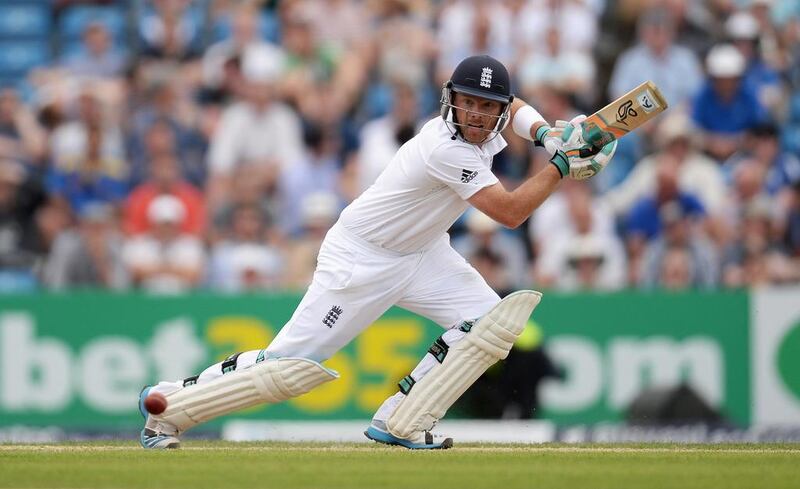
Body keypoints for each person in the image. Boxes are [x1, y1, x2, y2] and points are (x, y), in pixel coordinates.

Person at [137, 55, 617, 450]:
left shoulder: (493, 121)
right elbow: (510, 213)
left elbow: (516, 109)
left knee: (491, 325)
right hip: (361, 259)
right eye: (467, 103)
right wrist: (561, 165)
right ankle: (171, 405)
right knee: (289, 367)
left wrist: (548, 136)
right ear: (452, 101)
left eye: (484, 107)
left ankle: (402, 422)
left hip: (423, 254)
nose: (475, 114)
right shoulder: (443, 147)